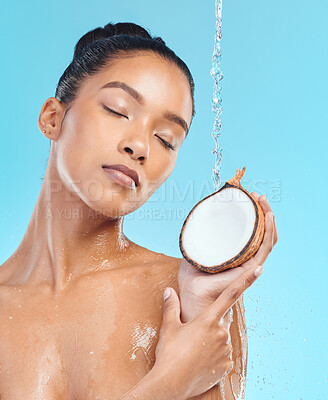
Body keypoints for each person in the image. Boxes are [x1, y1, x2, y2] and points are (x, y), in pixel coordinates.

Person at [0, 22, 278, 399]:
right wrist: (168, 385)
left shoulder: (184, 297)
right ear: (52, 118)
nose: (141, 145)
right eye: (117, 111)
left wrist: (199, 311)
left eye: (166, 139)